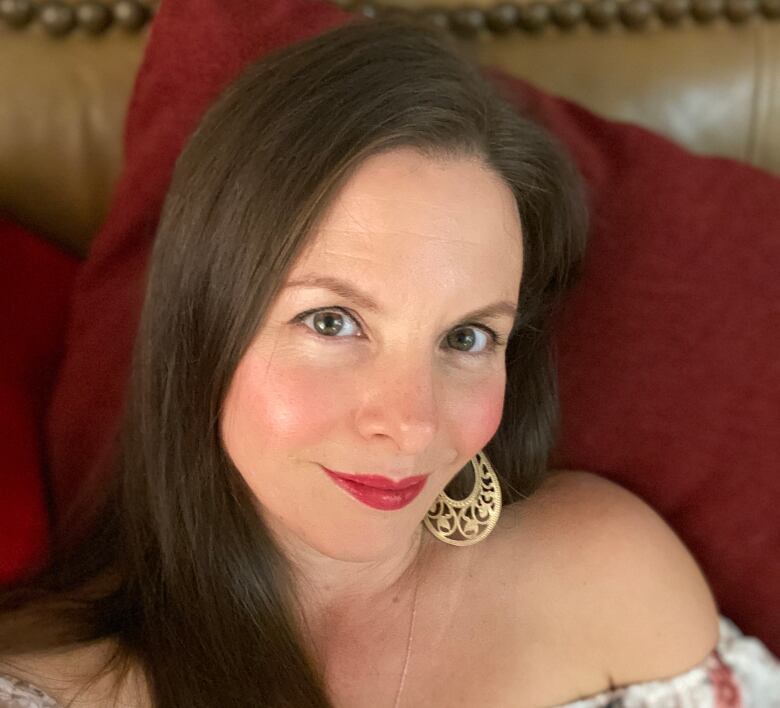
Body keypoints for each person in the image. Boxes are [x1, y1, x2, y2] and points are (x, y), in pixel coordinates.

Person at [1, 17, 778, 708]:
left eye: (466, 338)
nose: (409, 425)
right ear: (204, 328)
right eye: (332, 322)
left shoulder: (610, 575)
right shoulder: (54, 689)